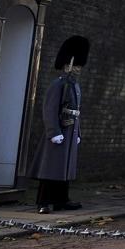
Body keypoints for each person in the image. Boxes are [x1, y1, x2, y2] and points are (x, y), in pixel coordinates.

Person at [30, 36, 88, 214]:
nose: (78, 69)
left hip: (69, 131)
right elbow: (50, 109)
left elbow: (76, 111)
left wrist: (77, 133)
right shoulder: (58, 85)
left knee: (64, 169)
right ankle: (44, 201)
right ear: (68, 64)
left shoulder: (74, 85)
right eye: (76, 65)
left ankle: (62, 199)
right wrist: (53, 131)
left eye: (79, 66)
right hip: (59, 131)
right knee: (51, 167)